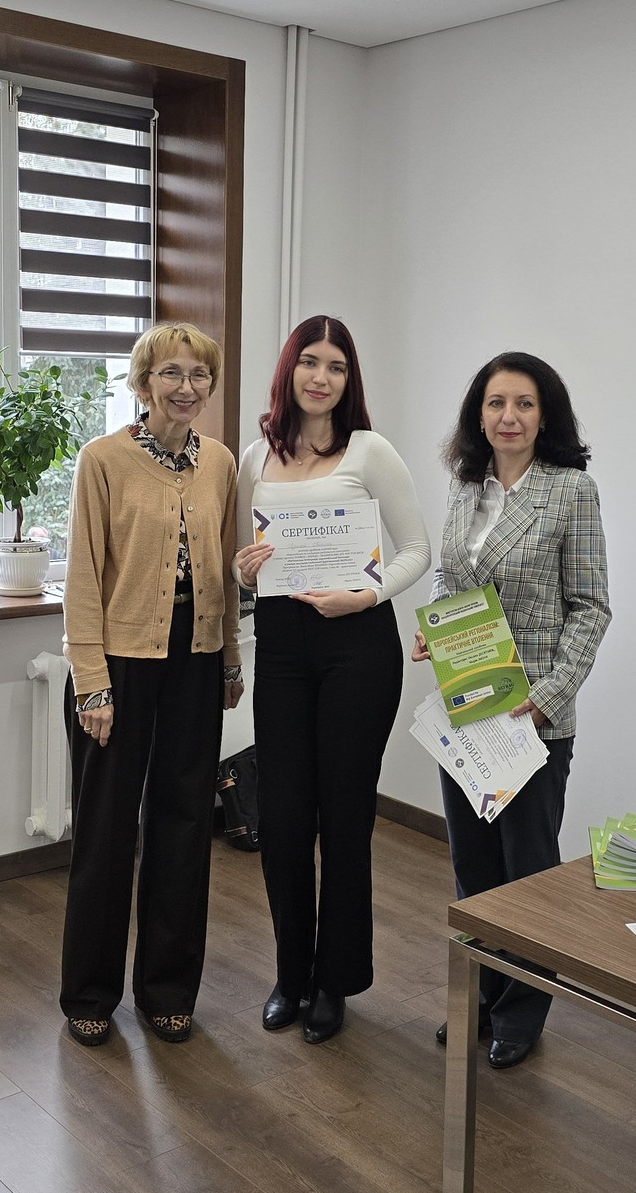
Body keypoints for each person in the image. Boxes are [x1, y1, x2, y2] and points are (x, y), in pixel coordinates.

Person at [235, 316, 430, 1045]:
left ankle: (334, 982)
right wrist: (242, 571)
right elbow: (244, 560)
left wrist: (367, 596)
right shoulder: (256, 458)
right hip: (283, 648)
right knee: (283, 820)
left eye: (337, 366)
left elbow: (416, 550)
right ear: (288, 370)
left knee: (344, 821)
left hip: (357, 648)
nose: (322, 377)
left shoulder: (370, 450)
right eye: (310, 362)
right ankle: (290, 973)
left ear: (350, 380)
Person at [414, 352, 609, 1070]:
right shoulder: (465, 484)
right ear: (479, 413)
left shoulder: (570, 490)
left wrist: (548, 698)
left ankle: (522, 1011)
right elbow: (450, 577)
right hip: (466, 707)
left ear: (544, 414)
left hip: (532, 718)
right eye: (496, 403)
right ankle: (479, 998)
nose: (509, 417)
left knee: (526, 872)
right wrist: (433, 629)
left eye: (524, 404)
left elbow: (591, 607)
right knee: (472, 867)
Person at [58, 322, 244, 1048]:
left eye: (199, 375)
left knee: (186, 826)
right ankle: (89, 994)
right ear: (143, 384)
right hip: (121, 665)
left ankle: (168, 989)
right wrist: (92, 683)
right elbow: (81, 578)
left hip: (195, 660)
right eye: (171, 373)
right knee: (106, 833)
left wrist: (229, 660)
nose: (186, 388)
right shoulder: (102, 460)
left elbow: (224, 572)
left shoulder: (219, 463)